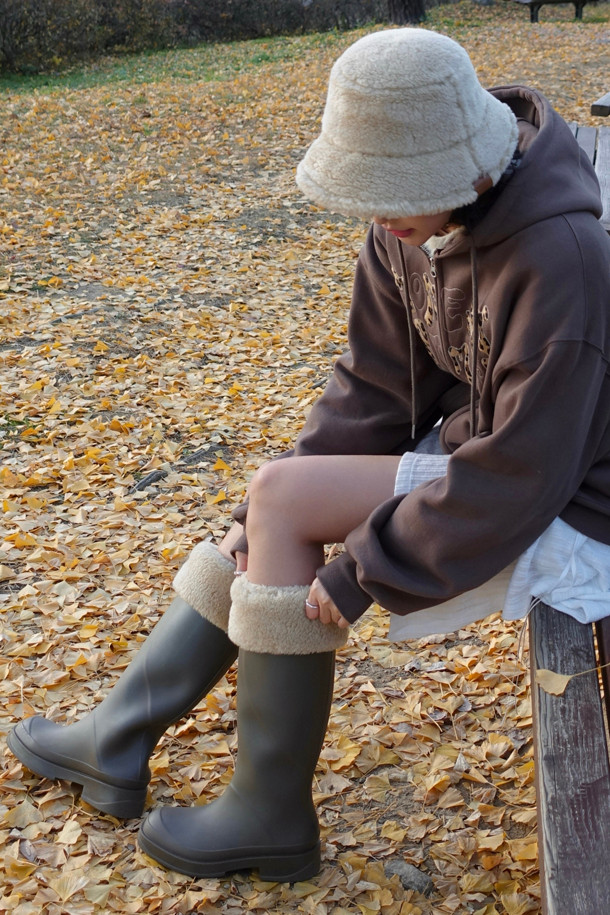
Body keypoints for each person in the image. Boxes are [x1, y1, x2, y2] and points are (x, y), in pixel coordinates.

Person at [8, 27, 610, 882]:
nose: (381, 214)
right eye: (370, 191)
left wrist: (366, 565)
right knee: (270, 500)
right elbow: (372, 387)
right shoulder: (411, 226)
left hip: (572, 497)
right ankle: (118, 738)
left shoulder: (563, 261)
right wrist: (254, 516)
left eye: (399, 192)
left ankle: (267, 810)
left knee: (283, 501)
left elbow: (525, 474)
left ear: (470, 171)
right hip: (500, 456)